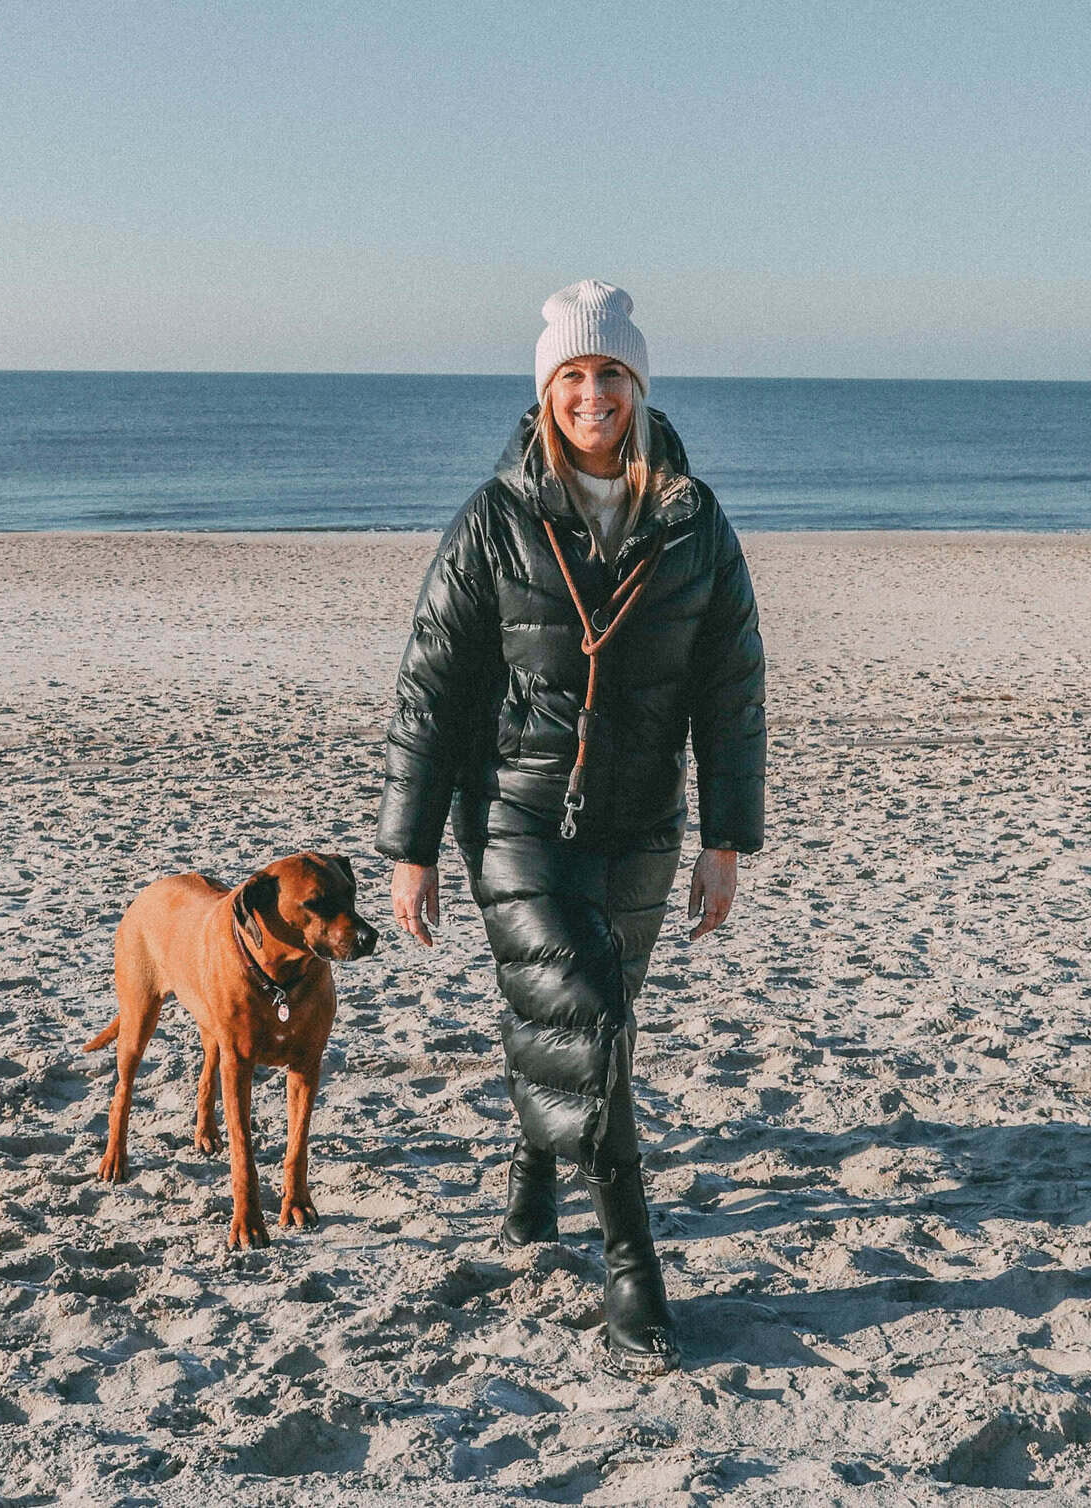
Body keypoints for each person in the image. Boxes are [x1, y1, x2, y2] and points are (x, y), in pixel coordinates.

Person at [377, 279, 766, 1376]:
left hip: (641, 824)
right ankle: (632, 1265)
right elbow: (432, 690)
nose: (590, 394)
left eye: (608, 375)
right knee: (587, 1019)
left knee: (598, 1018)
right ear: (545, 392)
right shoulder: (495, 518)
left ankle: (531, 1160)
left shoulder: (691, 519)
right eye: (571, 377)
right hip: (515, 816)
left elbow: (730, 690)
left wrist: (724, 839)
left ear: (636, 387)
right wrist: (408, 847)